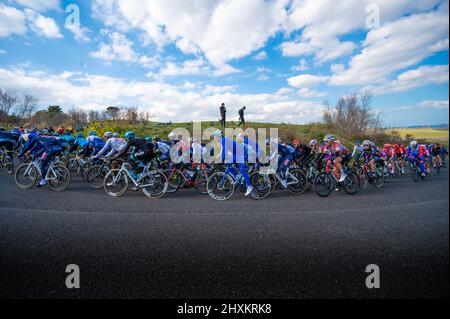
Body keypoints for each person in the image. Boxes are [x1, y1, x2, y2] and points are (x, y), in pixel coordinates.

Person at [212, 129, 253, 196]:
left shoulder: (223, 140)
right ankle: (237, 175)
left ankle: (249, 186)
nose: (214, 138)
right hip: (235, 154)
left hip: (241, 153)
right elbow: (222, 150)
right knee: (227, 163)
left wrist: (221, 159)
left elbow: (224, 152)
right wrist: (216, 157)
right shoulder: (222, 140)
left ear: (217, 136)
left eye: (214, 136)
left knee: (242, 170)